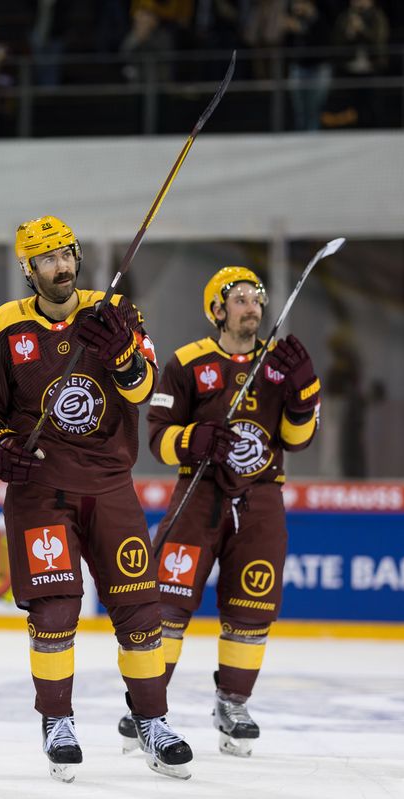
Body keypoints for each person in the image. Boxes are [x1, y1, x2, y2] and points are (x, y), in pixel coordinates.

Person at [0, 215, 192, 782]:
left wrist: (122, 355)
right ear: (27, 269)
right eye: (47, 260)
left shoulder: (113, 312)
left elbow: (142, 388)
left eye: (67, 255)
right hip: (41, 489)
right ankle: (56, 719)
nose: (61, 267)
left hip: (110, 485)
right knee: (55, 608)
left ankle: (151, 719)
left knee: (140, 609)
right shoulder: (2, 325)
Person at [141, 266, 320, 758]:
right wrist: (194, 439)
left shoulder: (278, 364)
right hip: (198, 493)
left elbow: (297, 441)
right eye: (240, 298)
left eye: (258, 298)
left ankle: (233, 704)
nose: (253, 307)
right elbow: (156, 436)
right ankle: (147, 705)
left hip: (262, 498)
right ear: (217, 310)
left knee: (252, 608)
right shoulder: (184, 362)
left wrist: (304, 397)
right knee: (167, 603)